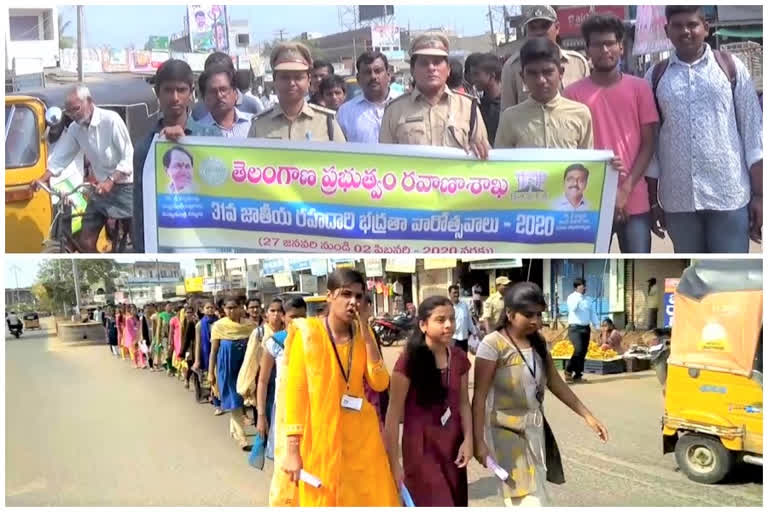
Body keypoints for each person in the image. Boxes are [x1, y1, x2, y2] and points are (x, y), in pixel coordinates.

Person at [472, 282, 609, 506]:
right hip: (504, 433)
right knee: (527, 500)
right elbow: (478, 398)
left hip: (535, 431)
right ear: (509, 313)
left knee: (538, 495)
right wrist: (478, 442)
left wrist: (587, 415)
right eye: (528, 314)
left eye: (539, 314)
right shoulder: (492, 345)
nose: (536, 321)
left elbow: (555, 382)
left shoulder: (538, 342)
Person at [644, 5, 763, 253]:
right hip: (678, 201)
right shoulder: (655, 77)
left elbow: (754, 135)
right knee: (694, 275)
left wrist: (760, 196)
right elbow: (651, 145)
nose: (685, 31)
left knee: (729, 277)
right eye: (677, 26)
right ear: (667, 30)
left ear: (705, 28)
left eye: (692, 24)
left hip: (729, 195)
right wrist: (653, 201)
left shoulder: (731, 67)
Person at [278, 269, 399, 506]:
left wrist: (365, 329)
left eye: (359, 296)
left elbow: (380, 382)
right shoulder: (309, 334)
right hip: (321, 435)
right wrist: (293, 449)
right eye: (346, 294)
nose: (353, 301)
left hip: (361, 436)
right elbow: (296, 392)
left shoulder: (363, 334)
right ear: (330, 296)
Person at [564, 14, 661, 253]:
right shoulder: (571, 94)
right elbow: (571, 151)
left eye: (610, 43)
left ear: (621, 45)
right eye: (597, 44)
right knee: (589, 265)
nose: (604, 49)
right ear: (587, 48)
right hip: (589, 202)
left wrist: (624, 190)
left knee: (638, 264)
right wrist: (605, 193)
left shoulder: (640, 88)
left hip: (634, 199)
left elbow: (649, 144)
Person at [385, 296, 473, 506]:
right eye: (440, 320)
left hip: (453, 447)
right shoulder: (408, 361)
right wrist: (394, 463)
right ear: (423, 325)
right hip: (421, 452)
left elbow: (463, 404)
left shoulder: (459, 358)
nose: (449, 325)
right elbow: (393, 414)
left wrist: (468, 440)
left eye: (451, 319)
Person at [132, 59, 221, 253]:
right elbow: (140, 213)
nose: (175, 98)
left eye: (181, 90)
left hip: (204, 244)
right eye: (168, 90)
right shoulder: (144, 148)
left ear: (191, 92)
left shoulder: (211, 138)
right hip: (164, 247)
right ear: (157, 93)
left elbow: (221, 192)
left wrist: (188, 146)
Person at [37, 84, 134, 253]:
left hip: (126, 186)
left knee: (136, 236)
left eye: (76, 109)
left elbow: (128, 156)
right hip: (101, 189)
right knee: (85, 241)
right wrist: (42, 178)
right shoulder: (75, 129)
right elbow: (62, 156)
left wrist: (111, 180)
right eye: (69, 112)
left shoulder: (111, 120)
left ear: (89, 102)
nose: (74, 115)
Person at [379, 32, 490, 160]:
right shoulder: (394, 111)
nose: (431, 68)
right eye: (424, 63)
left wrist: (477, 150)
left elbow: (485, 157)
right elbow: (385, 162)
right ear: (412, 70)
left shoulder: (468, 107)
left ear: (448, 69)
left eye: (437, 62)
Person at [495, 38, 593, 150]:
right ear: (523, 77)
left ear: (561, 73)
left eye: (547, 72)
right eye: (532, 73)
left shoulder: (581, 114)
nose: (540, 80)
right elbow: (501, 162)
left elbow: (588, 163)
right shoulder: (510, 118)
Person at [249, 43, 346, 142]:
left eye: (298, 77)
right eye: (284, 77)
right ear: (275, 81)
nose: (291, 83)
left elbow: (344, 156)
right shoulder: (259, 125)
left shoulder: (327, 122)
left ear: (308, 81)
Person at [500, 5, 589, 112]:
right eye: (533, 27)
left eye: (544, 26)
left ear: (557, 28)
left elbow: (587, 109)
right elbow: (507, 113)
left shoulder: (578, 63)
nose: (539, 32)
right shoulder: (512, 67)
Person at [257, 297, 307, 460]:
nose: (298, 322)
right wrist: (261, 416)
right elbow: (263, 381)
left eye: (302, 317)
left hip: (308, 407)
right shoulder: (275, 342)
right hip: (283, 408)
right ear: (283, 317)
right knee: (284, 459)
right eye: (293, 317)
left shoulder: (313, 339)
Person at [209, 296, 254, 450]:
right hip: (226, 367)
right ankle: (242, 437)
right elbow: (213, 351)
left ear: (241, 308)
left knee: (241, 398)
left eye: (234, 307)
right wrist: (211, 373)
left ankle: (234, 428)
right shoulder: (219, 326)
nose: (231, 311)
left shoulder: (250, 325)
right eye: (228, 308)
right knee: (233, 400)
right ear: (223, 310)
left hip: (245, 366)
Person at [336, 51, 399, 144]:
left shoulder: (404, 105)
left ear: (388, 75)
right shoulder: (345, 112)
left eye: (378, 71)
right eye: (367, 72)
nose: (373, 76)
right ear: (358, 79)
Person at [192, 52, 263, 120]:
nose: (218, 79)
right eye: (212, 74)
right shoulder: (199, 110)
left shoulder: (251, 105)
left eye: (222, 73)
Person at [197, 64, 254, 138]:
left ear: (235, 93)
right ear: (204, 97)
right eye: (213, 91)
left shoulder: (253, 123)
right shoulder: (197, 131)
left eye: (223, 90)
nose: (219, 95)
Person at [565, 279, 600, 383]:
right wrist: (579, 297)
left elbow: (592, 313)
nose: (585, 288)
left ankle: (578, 375)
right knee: (578, 350)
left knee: (583, 352)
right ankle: (568, 371)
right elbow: (572, 309)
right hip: (575, 328)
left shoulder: (588, 299)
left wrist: (596, 325)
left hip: (586, 328)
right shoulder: (571, 297)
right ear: (577, 287)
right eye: (583, 286)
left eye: (585, 286)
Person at [469, 53, 502, 147]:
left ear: (492, 76)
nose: (473, 79)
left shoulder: (508, 105)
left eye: (476, 74)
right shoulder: (479, 106)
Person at [193, 302, 221, 411]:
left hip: (219, 354)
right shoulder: (199, 325)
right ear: (203, 310)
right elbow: (198, 343)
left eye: (211, 307)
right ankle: (216, 403)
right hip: (206, 356)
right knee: (211, 378)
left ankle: (217, 398)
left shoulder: (219, 323)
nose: (209, 309)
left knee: (219, 377)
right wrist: (197, 360)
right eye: (207, 307)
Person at [449, 284, 477, 353]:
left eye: (457, 292)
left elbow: (469, 320)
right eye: (454, 293)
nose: (456, 294)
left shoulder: (464, 305)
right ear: (449, 294)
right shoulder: (448, 307)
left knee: (464, 358)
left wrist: (474, 332)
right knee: (454, 359)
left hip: (464, 338)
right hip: (453, 339)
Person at [124, 305, 144, 369]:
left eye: (135, 310)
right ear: (130, 311)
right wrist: (134, 339)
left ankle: (142, 363)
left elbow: (140, 328)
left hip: (138, 336)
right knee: (134, 351)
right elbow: (129, 330)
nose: (134, 311)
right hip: (132, 337)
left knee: (140, 350)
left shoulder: (138, 318)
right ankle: (135, 363)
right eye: (133, 310)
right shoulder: (128, 319)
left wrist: (140, 336)